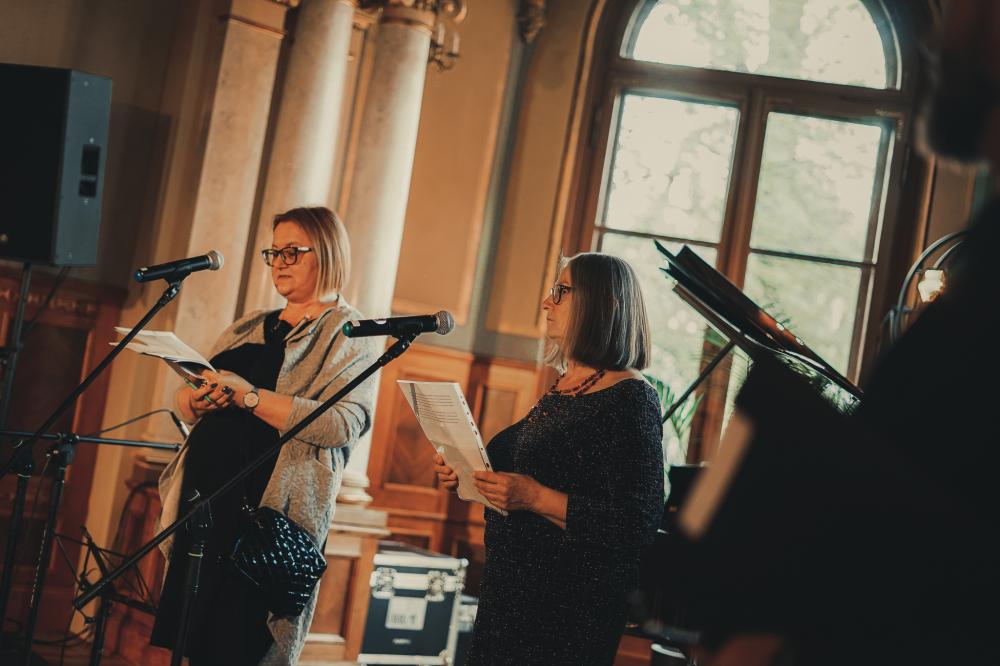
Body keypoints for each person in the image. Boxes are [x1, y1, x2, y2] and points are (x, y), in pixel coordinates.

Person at [151, 207, 377, 666]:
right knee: (194, 646)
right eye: (274, 252)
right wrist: (196, 401)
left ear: (328, 253)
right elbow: (186, 399)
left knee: (237, 647)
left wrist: (250, 397)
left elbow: (341, 424)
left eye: (293, 252)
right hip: (205, 508)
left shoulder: (350, 332)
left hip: (265, 522)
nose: (279, 262)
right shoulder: (250, 324)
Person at [434, 252, 665, 666]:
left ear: (601, 303)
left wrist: (535, 497)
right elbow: (525, 476)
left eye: (561, 291)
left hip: (568, 610)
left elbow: (637, 523)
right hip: (509, 594)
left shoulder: (632, 398)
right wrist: (467, 477)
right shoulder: (565, 385)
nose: (546, 302)